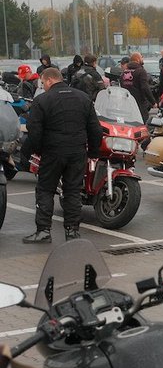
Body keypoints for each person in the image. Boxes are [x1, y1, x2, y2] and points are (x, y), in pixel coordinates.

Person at [21, 67, 103, 243]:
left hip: (53, 152)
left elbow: (34, 130)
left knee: (45, 189)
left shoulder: (42, 100)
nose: (43, 86)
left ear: (50, 80)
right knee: (73, 191)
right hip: (77, 151)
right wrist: (93, 153)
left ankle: (43, 231)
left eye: (43, 83)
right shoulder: (83, 98)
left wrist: (37, 150)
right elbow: (95, 129)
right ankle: (72, 231)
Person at [121, 52, 157, 120]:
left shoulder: (124, 72)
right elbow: (145, 87)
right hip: (140, 104)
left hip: (128, 104)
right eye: (141, 57)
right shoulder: (141, 71)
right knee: (143, 125)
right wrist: (153, 102)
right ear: (137, 59)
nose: (142, 59)